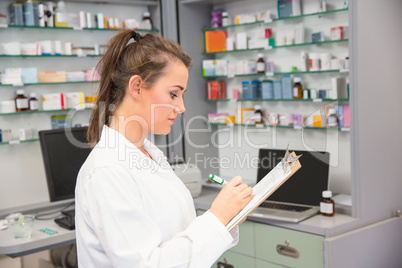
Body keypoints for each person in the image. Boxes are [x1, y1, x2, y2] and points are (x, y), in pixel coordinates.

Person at [75, 29, 253, 267]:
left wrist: (227, 218)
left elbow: (179, 237)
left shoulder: (149, 155)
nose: (181, 107)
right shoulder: (107, 171)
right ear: (137, 86)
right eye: (173, 94)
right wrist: (216, 219)